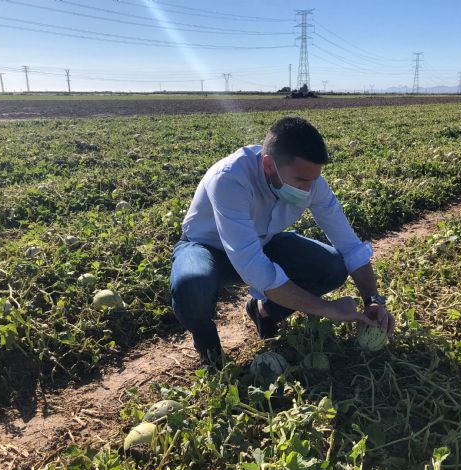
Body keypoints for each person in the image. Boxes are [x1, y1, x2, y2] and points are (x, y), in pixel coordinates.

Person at [169, 116, 395, 365]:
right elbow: (254, 267)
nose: (309, 189)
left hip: (264, 241)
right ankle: (211, 355)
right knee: (191, 286)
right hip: (207, 248)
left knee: (332, 267)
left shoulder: (311, 182)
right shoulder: (230, 179)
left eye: (314, 179)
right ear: (268, 165)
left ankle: (265, 312)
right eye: (300, 181)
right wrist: (328, 309)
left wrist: (373, 300)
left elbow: (350, 246)